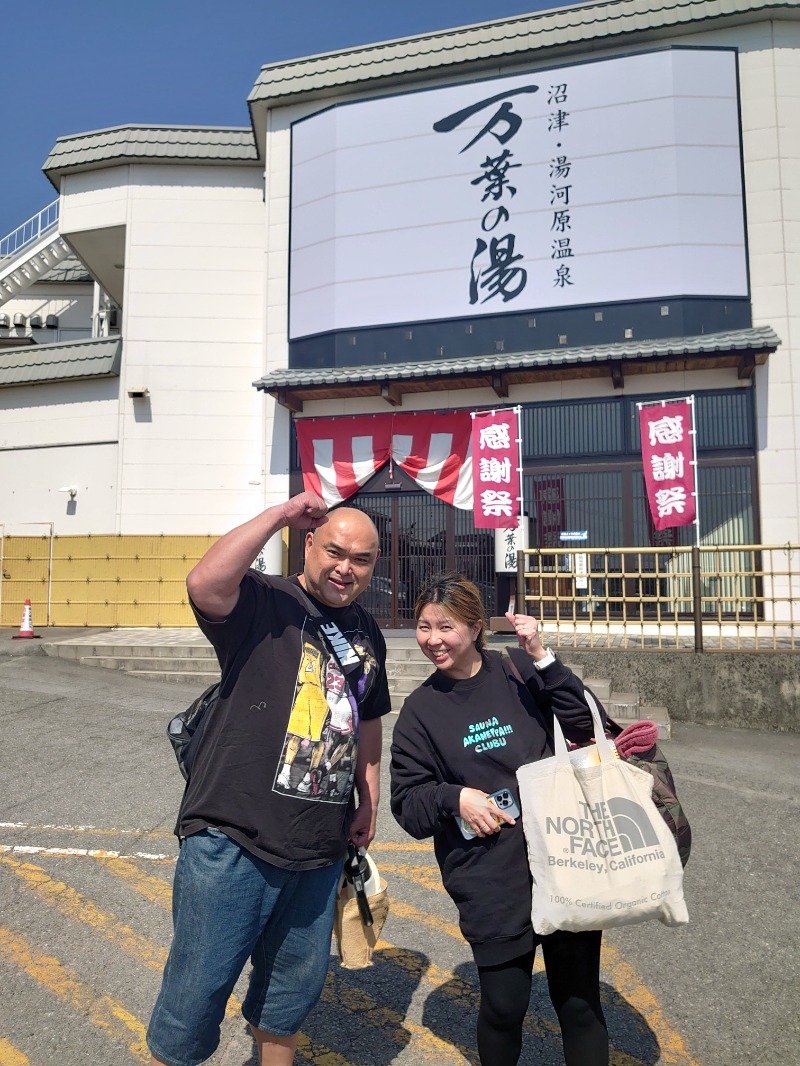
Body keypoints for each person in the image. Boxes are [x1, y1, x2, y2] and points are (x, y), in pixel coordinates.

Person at [147, 491, 392, 1066]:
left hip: (318, 849)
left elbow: (370, 718)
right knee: (194, 998)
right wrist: (279, 515)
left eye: (361, 560)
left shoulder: (367, 634)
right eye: (334, 551)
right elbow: (204, 583)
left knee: (287, 1003)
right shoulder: (265, 600)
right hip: (232, 838)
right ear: (308, 545)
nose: (344, 568)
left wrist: (368, 795)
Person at [390, 572, 609, 1066]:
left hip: (563, 855)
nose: (432, 640)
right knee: (505, 1008)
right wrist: (454, 797)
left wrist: (542, 656)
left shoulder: (516, 672)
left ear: (473, 627)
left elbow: (580, 723)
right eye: (423, 627)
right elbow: (407, 805)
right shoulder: (420, 711)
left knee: (578, 1005)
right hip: (489, 877)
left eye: (444, 626)